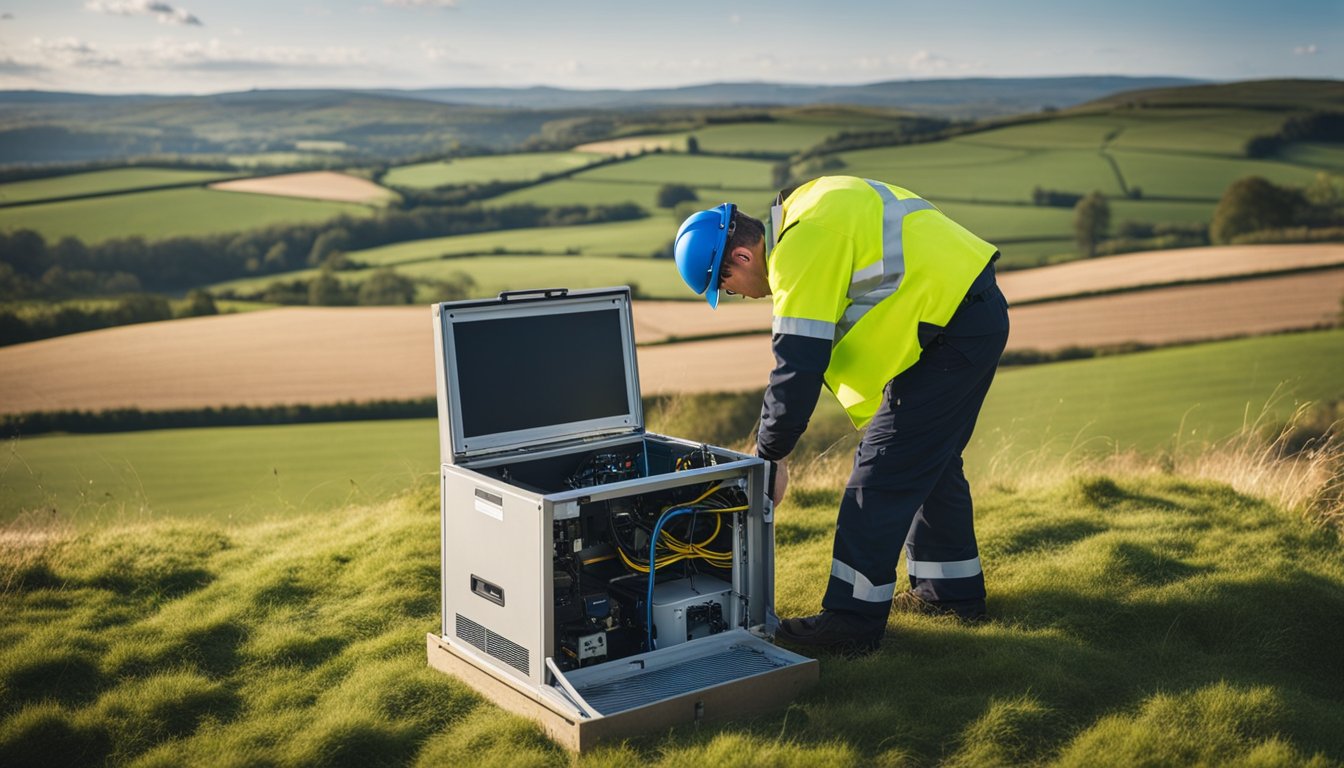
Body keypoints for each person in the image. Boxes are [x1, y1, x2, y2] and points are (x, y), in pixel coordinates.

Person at [672, 176, 1009, 653]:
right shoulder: (810, 203)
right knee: (929, 466)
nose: (740, 298)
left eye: (725, 287)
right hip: (969, 316)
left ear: (742, 259)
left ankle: (850, 624)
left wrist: (770, 457)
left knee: (879, 476)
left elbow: (797, 366)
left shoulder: (799, 250)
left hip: (952, 331)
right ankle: (950, 598)